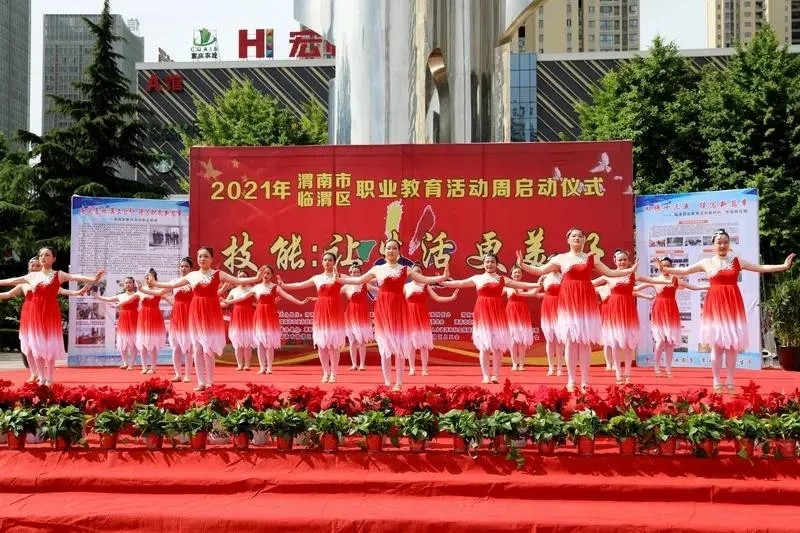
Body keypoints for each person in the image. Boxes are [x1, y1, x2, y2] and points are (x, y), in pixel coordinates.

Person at [659, 229, 794, 392]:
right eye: (719, 242)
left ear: (729, 244)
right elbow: (684, 270)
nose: (722, 245)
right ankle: (716, 381)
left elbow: (760, 267)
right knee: (717, 346)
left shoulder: (737, 261)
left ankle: (730, 380)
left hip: (732, 304)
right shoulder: (706, 262)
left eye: (725, 242)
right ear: (713, 245)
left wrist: (783, 266)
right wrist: (665, 269)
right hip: (715, 306)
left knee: (731, 346)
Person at [516, 229, 636, 392]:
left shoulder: (591, 257)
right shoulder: (561, 258)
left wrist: (630, 270)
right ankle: (571, 380)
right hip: (568, 301)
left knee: (584, 342)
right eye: (574, 236)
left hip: (586, 301)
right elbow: (541, 270)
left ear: (584, 239)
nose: (577, 238)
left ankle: (585, 380)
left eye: (580, 236)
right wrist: (522, 264)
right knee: (571, 342)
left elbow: (611, 272)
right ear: (568, 239)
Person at [150, 246, 266, 391]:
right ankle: (201, 382)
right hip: (196, 313)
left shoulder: (218, 274)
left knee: (208, 350)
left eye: (205, 256)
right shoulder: (192, 276)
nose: (202, 259)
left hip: (211, 314)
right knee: (197, 349)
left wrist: (256, 278)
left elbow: (237, 280)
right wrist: (155, 283)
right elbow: (172, 285)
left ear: (211, 259)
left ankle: (210, 381)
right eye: (200, 256)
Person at [338, 239, 447, 391]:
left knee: (400, 347)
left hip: (399, 309)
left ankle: (399, 383)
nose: (391, 250)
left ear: (398, 251)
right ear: (384, 251)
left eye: (394, 248)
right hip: (383, 309)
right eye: (388, 248)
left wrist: (442, 277)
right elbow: (358, 280)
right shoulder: (377, 269)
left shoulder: (405, 269)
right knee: (385, 347)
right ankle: (387, 382)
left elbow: (424, 279)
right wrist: (339, 279)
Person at [0, 247, 104, 386]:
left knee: (49, 346)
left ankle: (49, 378)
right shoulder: (31, 277)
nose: (43, 257)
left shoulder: (58, 274)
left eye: (47, 255)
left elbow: (75, 276)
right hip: (35, 315)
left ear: (54, 258)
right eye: (41, 255)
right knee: (36, 346)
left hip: (50, 313)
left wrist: (93, 278)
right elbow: (10, 281)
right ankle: (41, 377)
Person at [441, 253, 538, 383]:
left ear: (497, 264)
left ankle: (496, 375)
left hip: (498, 314)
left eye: (492, 262)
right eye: (487, 262)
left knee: (497, 347)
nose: (489, 264)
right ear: (483, 264)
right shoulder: (477, 278)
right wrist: (443, 281)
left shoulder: (502, 279)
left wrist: (538, 284)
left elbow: (522, 285)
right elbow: (459, 283)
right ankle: (486, 376)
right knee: (484, 347)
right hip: (483, 313)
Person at [593, 249, 666, 385]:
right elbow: (589, 284)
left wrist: (662, 269)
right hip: (613, 311)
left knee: (628, 344)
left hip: (628, 311)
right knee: (614, 343)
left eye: (625, 259)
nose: (622, 262)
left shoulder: (633, 275)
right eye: (620, 260)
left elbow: (653, 280)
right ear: (615, 261)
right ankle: (618, 373)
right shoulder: (608, 275)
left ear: (628, 261)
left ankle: (627, 373)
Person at [229, 266, 311, 375]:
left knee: (269, 343)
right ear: (260, 274)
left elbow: (287, 296)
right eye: (264, 273)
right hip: (259, 315)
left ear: (271, 275)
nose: (265, 275)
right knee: (260, 343)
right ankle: (262, 367)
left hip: (270, 315)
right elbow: (242, 298)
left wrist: (299, 302)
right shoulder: (256, 287)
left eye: (268, 273)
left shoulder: (275, 287)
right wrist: (228, 301)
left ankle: (269, 367)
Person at [280, 252, 346, 383]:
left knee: (333, 345)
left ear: (334, 262)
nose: (327, 262)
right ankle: (326, 373)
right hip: (321, 311)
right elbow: (300, 284)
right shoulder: (317, 278)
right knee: (322, 344)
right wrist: (284, 285)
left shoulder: (340, 276)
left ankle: (334, 374)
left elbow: (357, 280)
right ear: (322, 262)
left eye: (330, 260)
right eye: (325, 260)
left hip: (334, 311)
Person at [647, 256, 707, 377]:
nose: (665, 267)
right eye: (663, 265)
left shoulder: (675, 279)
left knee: (670, 342)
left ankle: (668, 368)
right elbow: (637, 287)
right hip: (659, 311)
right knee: (660, 341)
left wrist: (709, 287)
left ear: (671, 267)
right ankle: (657, 366)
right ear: (659, 267)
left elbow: (693, 287)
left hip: (671, 310)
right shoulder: (655, 280)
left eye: (668, 265)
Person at [404, 263, 459, 377]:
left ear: (422, 274)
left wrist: (452, 298)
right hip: (409, 317)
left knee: (424, 344)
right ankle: (412, 368)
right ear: (411, 274)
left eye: (419, 271)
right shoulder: (406, 286)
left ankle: (424, 369)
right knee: (410, 344)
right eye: (415, 272)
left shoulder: (426, 285)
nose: (417, 273)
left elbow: (437, 298)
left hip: (422, 317)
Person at [94, 277, 140, 371]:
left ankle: (132, 364)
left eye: (130, 282)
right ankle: (125, 363)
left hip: (134, 318)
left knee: (133, 342)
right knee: (122, 342)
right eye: (126, 283)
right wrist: (97, 296)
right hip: (123, 319)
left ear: (133, 284)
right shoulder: (120, 296)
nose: (128, 284)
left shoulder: (137, 295)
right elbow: (108, 299)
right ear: (124, 285)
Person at [503, 265, 540, 373]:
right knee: (513, 340)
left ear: (522, 275)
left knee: (522, 340)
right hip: (511, 313)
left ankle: (522, 363)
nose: (517, 274)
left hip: (522, 313)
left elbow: (534, 292)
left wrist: (541, 280)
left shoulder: (525, 286)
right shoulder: (506, 287)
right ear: (511, 275)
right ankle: (515, 363)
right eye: (515, 272)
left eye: (519, 272)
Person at [341, 263, 375, 371]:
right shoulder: (346, 286)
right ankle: (354, 364)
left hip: (362, 313)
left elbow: (379, 290)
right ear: (350, 273)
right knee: (352, 341)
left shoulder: (365, 284)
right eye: (352, 272)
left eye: (357, 272)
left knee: (361, 341)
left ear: (360, 273)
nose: (355, 274)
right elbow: (332, 294)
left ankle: (362, 365)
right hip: (350, 313)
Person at [533, 259, 564, 376]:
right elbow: (535, 293)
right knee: (550, 340)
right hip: (548, 307)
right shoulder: (544, 276)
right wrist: (546, 294)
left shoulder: (564, 276)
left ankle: (560, 367)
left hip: (561, 307)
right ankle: (551, 367)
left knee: (560, 340)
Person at [221, 271, 256, 371]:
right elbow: (226, 304)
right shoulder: (233, 291)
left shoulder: (253, 290)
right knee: (238, 343)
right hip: (237, 317)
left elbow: (258, 302)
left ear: (248, 278)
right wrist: (215, 303)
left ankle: (247, 365)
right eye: (240, 276)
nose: (242, 278)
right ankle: (240, 365)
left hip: (248, 317)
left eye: (244, 276)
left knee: (247, 343)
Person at [135, 269, 167, 374]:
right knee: (143, 342)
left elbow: (171, 300)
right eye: (146, 277)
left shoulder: (159, 290)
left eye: (150, 277)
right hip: (143, 318)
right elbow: (128, 299)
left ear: (154, 278)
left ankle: (153, 367)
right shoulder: (141, 290)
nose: (148, 279)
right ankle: (144, 367)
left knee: (153, 343)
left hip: (155, 318)